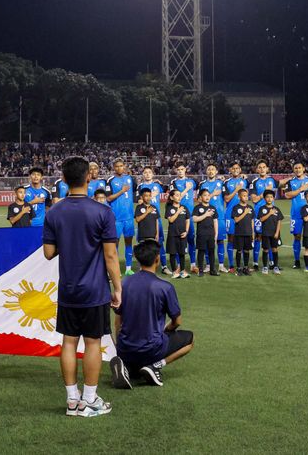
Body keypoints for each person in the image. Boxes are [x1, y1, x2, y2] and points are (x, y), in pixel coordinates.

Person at [43, 156, 122, 418]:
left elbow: (48, 253)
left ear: (63, 179)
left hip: (68, 289)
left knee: (68, 342)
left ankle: (72, 401)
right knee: (92, 343)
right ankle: (89, 399)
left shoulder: (54, 211)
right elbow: (111, 256)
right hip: (95, 290)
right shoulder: (103, 212)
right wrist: (118, 288)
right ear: (89, 176)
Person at [110, 240, 194, 389]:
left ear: (137, 258)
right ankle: (155, 366)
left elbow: (118, 322)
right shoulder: (165, 287)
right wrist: (166, 330)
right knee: (189, 339)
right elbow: (177, 322)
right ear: (157, 259)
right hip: (151, 348)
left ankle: (127, 366)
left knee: (133, 354)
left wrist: (120, 348)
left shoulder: (124, 283)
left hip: (126, 347)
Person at [281, 163, 308, 269]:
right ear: (293, 170)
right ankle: (297, 261)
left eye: (299, 167)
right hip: (296, 214)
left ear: (303, 168)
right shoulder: (291, 182)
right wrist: (301, 189)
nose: (298, 170)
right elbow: (287, 195)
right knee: (297, 236)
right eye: (295, 168)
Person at [136, 167, 170, 274]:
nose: (147, 174)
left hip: (156, 218)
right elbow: (139, 200)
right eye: (145, 172)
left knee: (159, 242)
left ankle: (164, 266)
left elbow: (166, 190)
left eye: (149, 172)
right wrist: (151, 196)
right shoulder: (140, 186)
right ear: (143, 174)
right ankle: (143, 266)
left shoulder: (157, 185)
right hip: (144, 220)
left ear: (153, 174)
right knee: (143, 244)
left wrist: (160, 184)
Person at [106, 158, 137, 275]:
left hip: (129, 217)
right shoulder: (110, 181)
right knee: (115, 244)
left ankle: (128, 268)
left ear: (124, 166)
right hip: (116, 218)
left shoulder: (130, 179)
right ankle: (115, 268)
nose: (119, 168)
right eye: (117, 166)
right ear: (114, 168)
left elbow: (135, 192)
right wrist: (122, 191)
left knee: (129, 242)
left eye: (121, 166)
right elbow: (108, 198)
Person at [198, 164, 228, 273]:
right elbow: (199, 200)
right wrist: (212, 194)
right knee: (207, 242)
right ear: (206, 172)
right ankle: (208, 265)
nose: (211, 171)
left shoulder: (221, 183)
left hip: (219, 217)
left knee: (220, 241)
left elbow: (227, 197)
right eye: (209, 169)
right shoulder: (202, 184)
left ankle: (220, 264)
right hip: (206, 216)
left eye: (213, 169)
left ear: (216, 172)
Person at [169, 162, 198, 273]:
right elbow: (177, 197)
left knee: (191, 240)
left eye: (182, 169)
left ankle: (193, 265)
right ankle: (179, 266)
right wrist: (186, 189)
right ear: (176, 171)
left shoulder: (192, 181)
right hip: (178, 216)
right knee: (178, 241)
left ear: (185, 169)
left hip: (189, 215)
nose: (180, 171)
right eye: (178, 169)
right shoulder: (174, 182)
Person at [249, 161, 277, 271]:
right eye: (259, 167)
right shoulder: (255, 182)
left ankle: (271, 263)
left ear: (267, 169)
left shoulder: (272, 180)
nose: (262, 169)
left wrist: (291, 177)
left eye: (264, 167)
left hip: (272, 214)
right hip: (259, 214)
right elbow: (254, 199)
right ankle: (255, 263)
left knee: (270, 237)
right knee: (258, 237)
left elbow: (282, 183)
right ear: (257, 170)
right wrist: (265, 191)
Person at [224, 162, 249, 274]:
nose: (235, 170)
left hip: (244, 214)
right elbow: (227, 199)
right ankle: (231, 265)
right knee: (231, 239)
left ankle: (244, 265)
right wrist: (237, 190)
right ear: (230, 169)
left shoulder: (245, 181)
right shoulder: (226, 182)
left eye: (237, 168)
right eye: (233, 168)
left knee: (244, 240)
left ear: (240, 170)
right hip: (230, 215)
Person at [192, 189, 219, 277]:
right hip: (201, 234)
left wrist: (216, 234)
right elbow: (194, 219)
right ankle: (200, 270)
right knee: (201, 251)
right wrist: (205, 215)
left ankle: (212, 270)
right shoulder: (197, 208)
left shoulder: (213, 208)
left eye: (208, 195)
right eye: (205, 195)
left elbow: (215, 221)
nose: (207, 197)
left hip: (211, 234)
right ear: (200, 197)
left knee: (211, 251)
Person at [165, 189, 190, 279]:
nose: (178, 197)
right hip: (172, 234)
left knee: (182, 253)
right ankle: (175, 271)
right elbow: (171, 220)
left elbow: (187, 220)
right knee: (173, 253)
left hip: (182, 234)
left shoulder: (184, 207)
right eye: (176, 195)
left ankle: (183, 271)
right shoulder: (169, 208)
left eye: (179, 195)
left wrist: (186, 231)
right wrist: (178, 211)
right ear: (171, 197)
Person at [257, 190, 284, 275]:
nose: (269, 199)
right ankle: (265, 267)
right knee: (265, 249)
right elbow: (261, 219)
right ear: (264, 198)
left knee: (274, 249)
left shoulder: (277, 209)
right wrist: (270, 213)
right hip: (265, 233)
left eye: (271, 197)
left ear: (273, 198)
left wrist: (277, 233)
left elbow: (279, 221)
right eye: (267, 197)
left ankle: (275, 267)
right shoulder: (262, 209)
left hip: (274, 233)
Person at [231, 189, 254, 276]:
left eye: (246, 195)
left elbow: (252, 221)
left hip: (248, 233)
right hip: (239, 233)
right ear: (239, 197)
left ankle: (245, 267)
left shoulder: (250, 208)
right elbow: (236, 220)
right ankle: (238, 268)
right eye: (243, 195)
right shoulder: (236, 208)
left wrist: (252, 233)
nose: (245, 197)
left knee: (247, 251)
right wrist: (245, 212)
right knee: (239, 250)